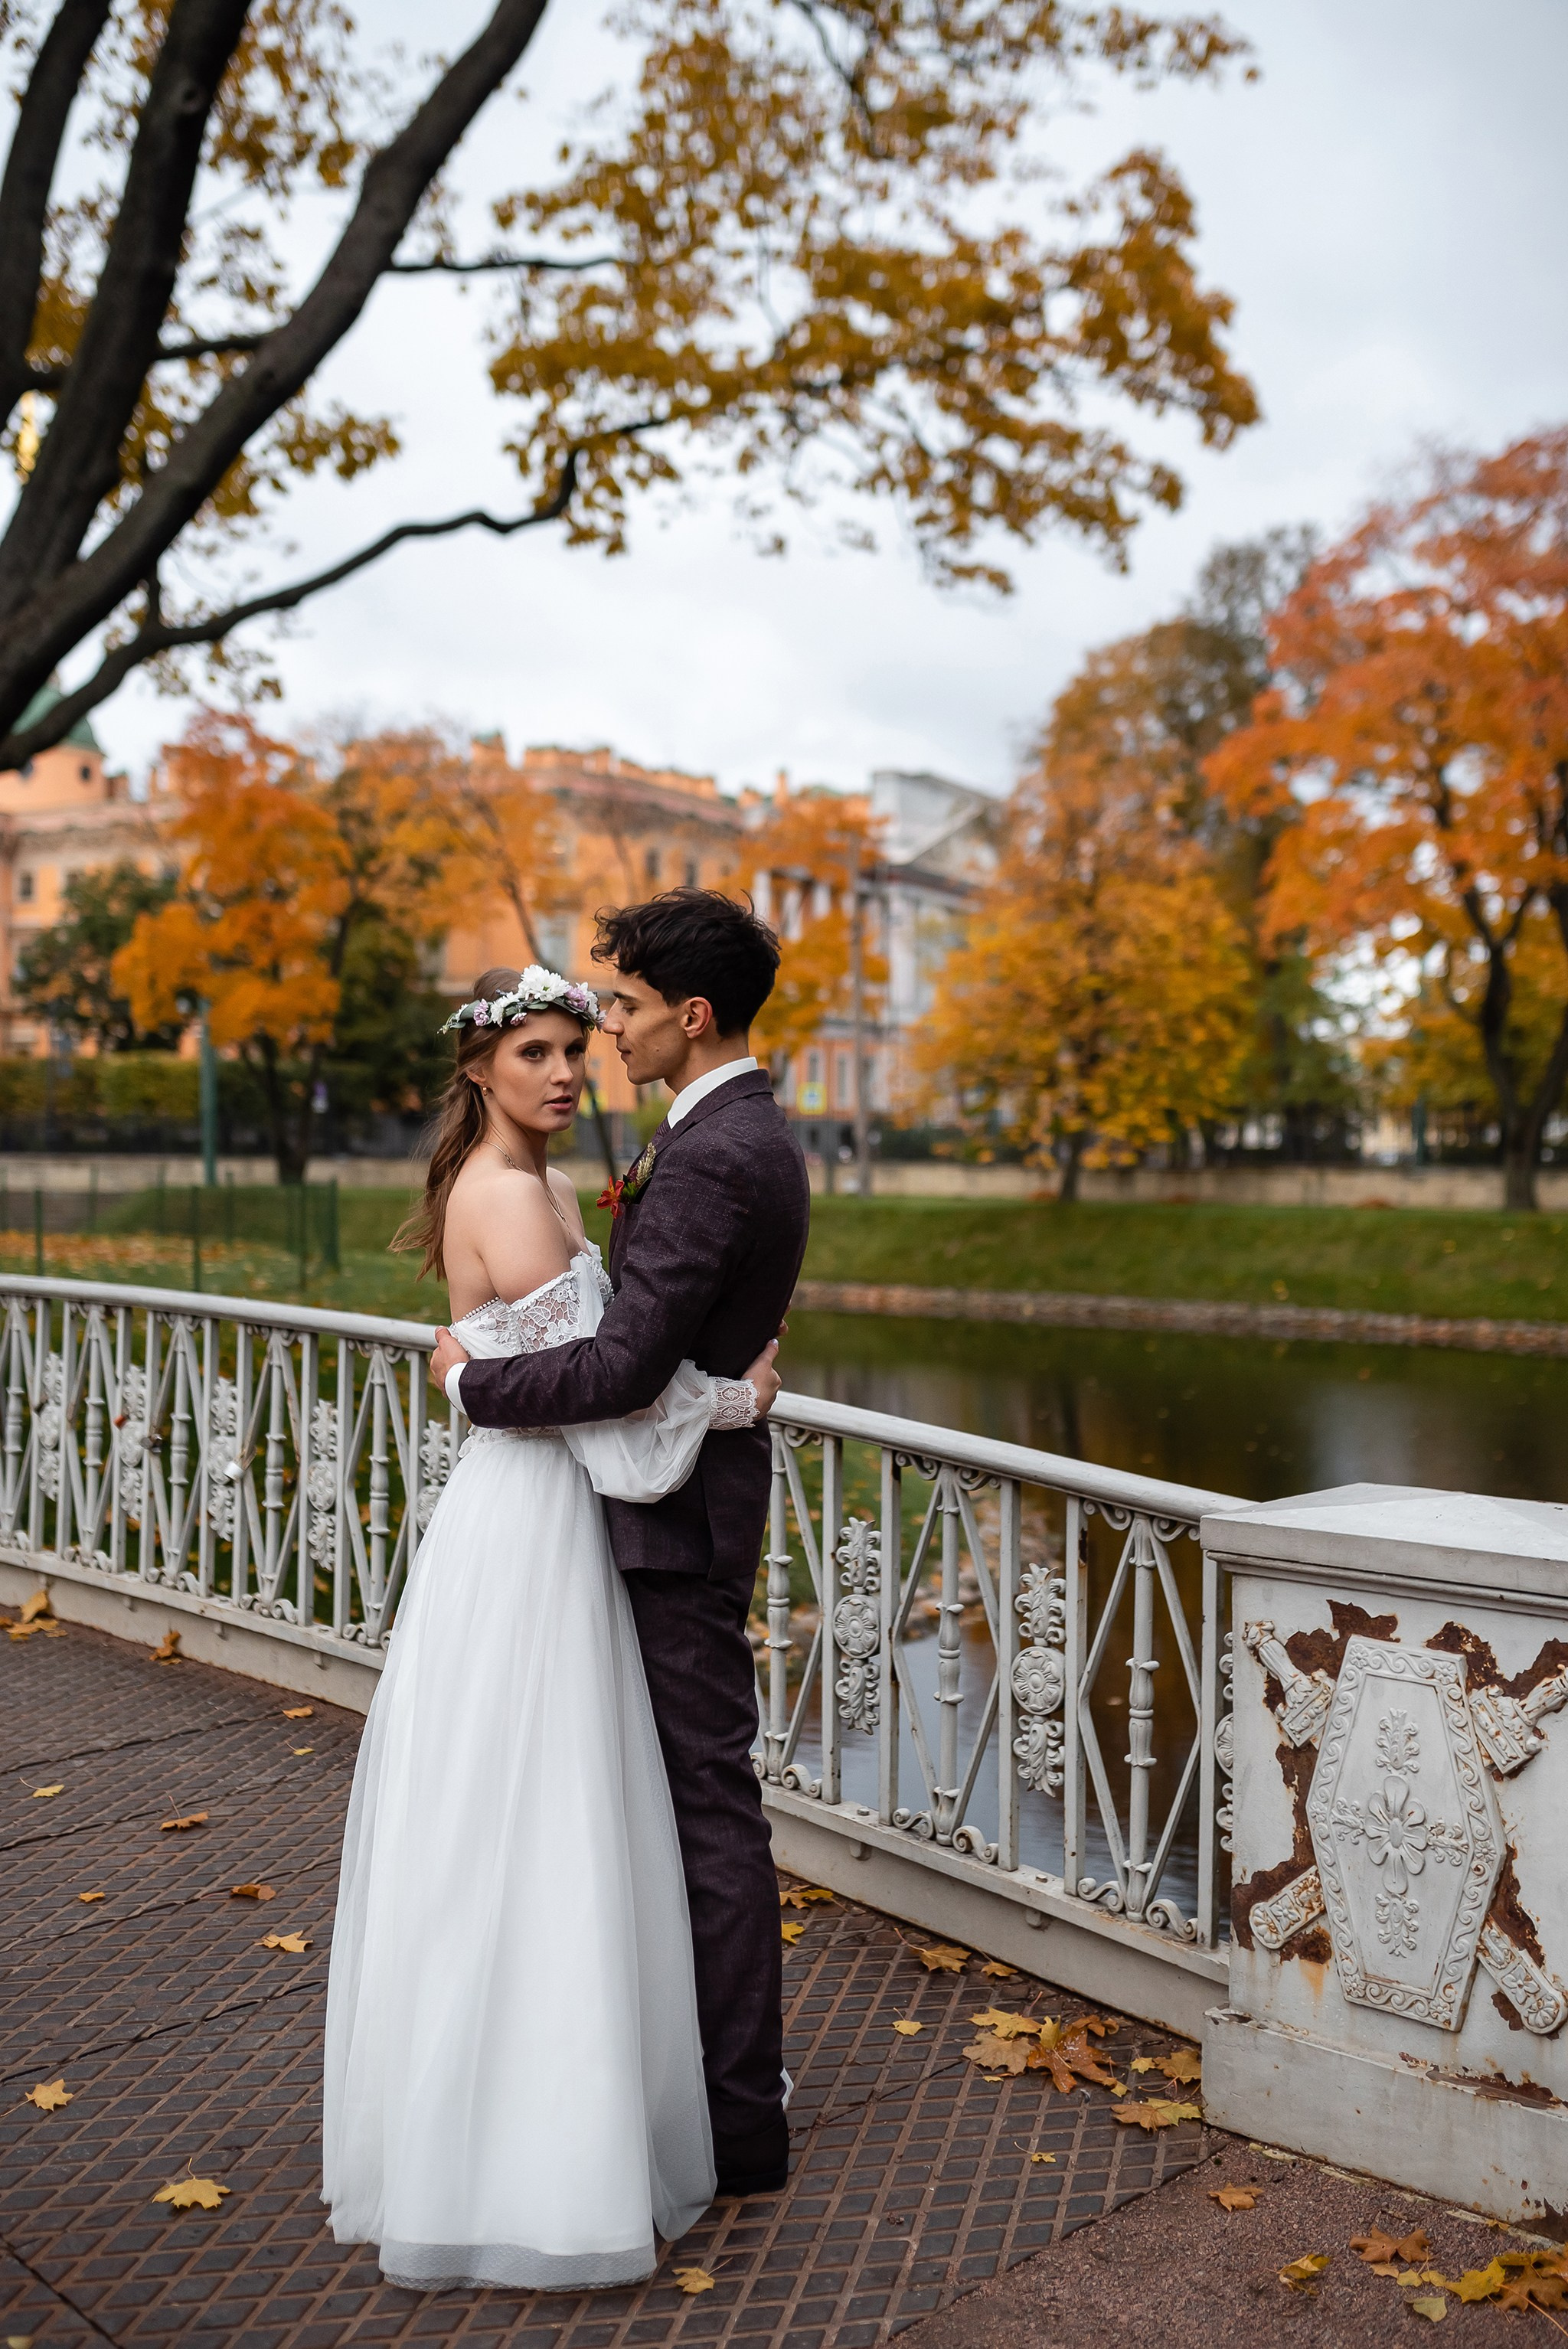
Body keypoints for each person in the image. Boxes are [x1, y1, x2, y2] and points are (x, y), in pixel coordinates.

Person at [322, 962, 784, 2292]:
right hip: (536, 1522)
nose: (567, 1073)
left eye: (577, 1049)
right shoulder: (510, 1195)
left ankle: (574, 2101)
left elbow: (561, 1373)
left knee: (545, 1807)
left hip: (546, 1515)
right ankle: (529, 2146)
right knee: (537, 1812)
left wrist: (471, 1369)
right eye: (536, 1052)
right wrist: (739, 1399)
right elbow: (599, 1410)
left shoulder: (558, 1189)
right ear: (481, 1070)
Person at [430, 889, 811, 2199]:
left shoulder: (715, 1151)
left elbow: (629, 1362)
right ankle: (685, 2088)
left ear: (691, 1016)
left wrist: (472, 1386)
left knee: (706, 1807)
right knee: (656, 1802)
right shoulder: (713, 1135)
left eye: (625, 1012)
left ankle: (736, 2122)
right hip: (643, 1503)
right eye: (547, 1042)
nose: (606, 1034)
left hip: (673, 1514)